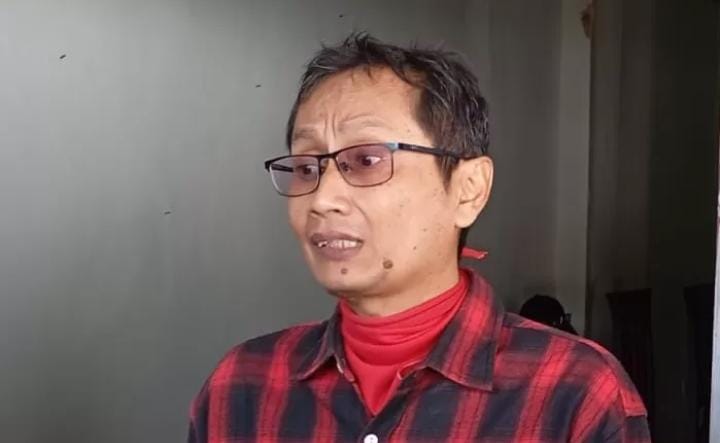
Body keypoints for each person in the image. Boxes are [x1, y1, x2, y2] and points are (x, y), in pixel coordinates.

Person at [187, 33, 651, 442]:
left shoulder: (573, 392)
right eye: (308, 167)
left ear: (468, 190)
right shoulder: (241, 386)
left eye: (366, 160)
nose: (322, 199)